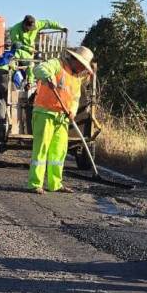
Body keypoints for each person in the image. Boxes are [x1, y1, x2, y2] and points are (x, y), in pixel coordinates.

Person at [27, 46, 93, 194]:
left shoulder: (76, 77)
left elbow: (75, 98)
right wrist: (48, 77)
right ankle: (34, 183)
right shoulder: (57, 64)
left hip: (62, 117)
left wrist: (73, 111)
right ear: (74, 59)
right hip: (45, 113)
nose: (83, 68)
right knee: (41, 149)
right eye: (81, 64)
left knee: (58, 151)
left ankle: (55, 184)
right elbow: (38, 69)